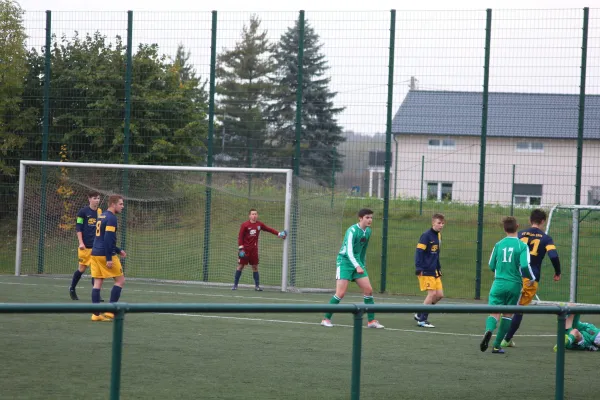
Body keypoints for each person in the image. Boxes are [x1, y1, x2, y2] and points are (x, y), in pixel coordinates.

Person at [500, 209, 561, 347]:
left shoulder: (519, 234)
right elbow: (554, 256)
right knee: (519, 310)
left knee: (508, 306)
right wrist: (558, 272)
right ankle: (506, 339)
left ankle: (499, 333)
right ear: (543, 221)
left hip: (513, 276)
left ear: (530, 220)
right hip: (530, 278)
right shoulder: (546, 238)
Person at [321, 208, 384, 329]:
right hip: (345, 261)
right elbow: (349, 251)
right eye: (367, 217)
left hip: (357, 263)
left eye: (371, 217)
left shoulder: (368, 231)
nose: (370, 220)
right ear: (360, 218)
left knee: (368, 290)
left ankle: (371, 321)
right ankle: (326, 319)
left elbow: (363, 250)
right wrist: (357, 265)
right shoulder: (352, 230)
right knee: (340, 293)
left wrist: (361, 264)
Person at [480, 216, 535, 354]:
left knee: (494, 313)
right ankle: (497, 346)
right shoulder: (522, 246)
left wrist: (500, 271)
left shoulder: (498, 244)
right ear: (517, 226)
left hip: (498, 283)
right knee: (508, 314)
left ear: (504, 228)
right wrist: (532, 278)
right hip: (514, 284)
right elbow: (524, 265)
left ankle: (489, 330)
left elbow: (491, 265)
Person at [89, 195, 127, 322]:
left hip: (95, 253)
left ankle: (96, 314)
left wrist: (118, 250)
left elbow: (101, 238)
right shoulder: (112, 218)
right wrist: (110, 257)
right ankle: (110, 311)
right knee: (120, 281)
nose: (122, 206)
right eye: (120, 204)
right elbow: (107, 239)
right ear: (113, 204)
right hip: (105, 254)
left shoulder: (102, 215)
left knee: (97, 283)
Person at [232, 209, 287, 291]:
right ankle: (235, 285)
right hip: (245, 250)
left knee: (255, 267)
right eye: (252, 214)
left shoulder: (259, 224)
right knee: (240, 266)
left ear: (257, 215)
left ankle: (257, 286)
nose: (254, 216)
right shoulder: (245, 225)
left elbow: (269, 229)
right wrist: (241, 249)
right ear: (249, 216)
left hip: (254, 250)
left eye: (255, 214)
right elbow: (240, 237)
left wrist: (279, 234)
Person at [69, 190, 103, 301]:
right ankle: (72, 289)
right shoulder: (82, 212)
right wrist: (81, 242)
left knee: (96, 271)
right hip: (85, 247)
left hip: (96, 247)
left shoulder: (100, 212)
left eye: (98, 198)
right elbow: (78, 227)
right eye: (94, 198)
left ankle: (96, 294)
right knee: (82, 269)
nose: (97, 200)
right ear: (89, 199)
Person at [413, 213, 445, 328]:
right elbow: (419, 252)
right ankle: (422, 320)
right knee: (431, 294)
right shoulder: (426, 236)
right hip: (426, 270)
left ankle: (420, 313)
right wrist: (418, 267)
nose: (441, 225)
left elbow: (436, 254)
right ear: (433, 223)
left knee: (440, 295)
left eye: (442, 223)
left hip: (435, 270)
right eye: (439, 223)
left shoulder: (439, 236)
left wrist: (438, 267)